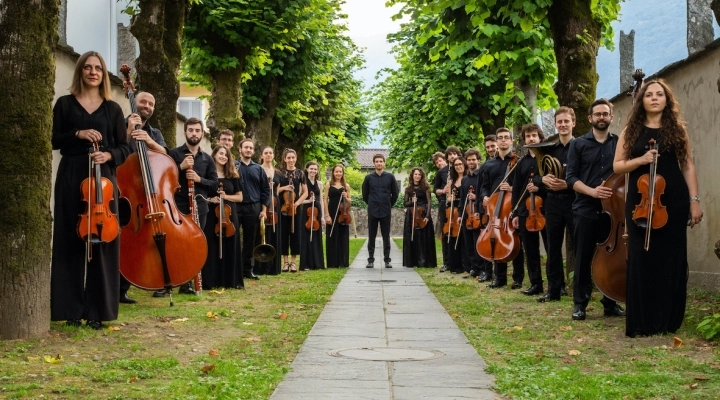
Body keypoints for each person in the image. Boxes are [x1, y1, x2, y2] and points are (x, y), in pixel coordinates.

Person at [613, 79, 703, 337]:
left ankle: (668, 320)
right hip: (641, 202)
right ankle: (641, 321)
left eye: (659, 94)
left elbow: (687, 166)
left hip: (672, 200)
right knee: (642, 258)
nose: (654, 98)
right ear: (641, 100)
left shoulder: (677, 130)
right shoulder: (631, 129)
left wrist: (694, 201)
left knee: (671, 258)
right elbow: (618, 166)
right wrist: (641, 159)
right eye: (649, 94)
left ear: (667, 100)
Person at [51, 51, 130, 329]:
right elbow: (54, 139)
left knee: (103, 244)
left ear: (103, 74)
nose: (93, 72)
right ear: (80, 71)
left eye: (98, 68)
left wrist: (108, 156)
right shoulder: (64, 104)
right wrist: (77, 134)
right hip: (72, 174)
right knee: (69, 239)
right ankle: (70, 309)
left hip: (103, 181)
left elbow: (125, 147)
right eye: (88, 67)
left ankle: (98, 311)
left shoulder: (113, 109)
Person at [565, 98, 626, 321]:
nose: (601, 117)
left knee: (611, 257)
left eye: (605, 114)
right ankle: (580, 304)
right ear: (590, 118)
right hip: (585, 208)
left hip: (614, 211)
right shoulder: (578, 144)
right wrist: (593, 192)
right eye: (597, 114)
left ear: (611, 117)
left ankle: (610, 302)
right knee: (583, 257)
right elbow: (570, 178)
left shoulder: (618, 143)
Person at [158, 117, 218, 297]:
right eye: (190, 130)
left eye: (197, 130)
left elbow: (215, 184)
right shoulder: (175, 154)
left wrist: (200, 179)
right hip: (176, 204)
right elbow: (163, 177)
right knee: (173, 243)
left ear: (201, 133)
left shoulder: (207, 159)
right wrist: (180, 167)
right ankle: (167, 282)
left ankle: (187, 283)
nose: (194, 133)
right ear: (185, 132)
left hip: (199, 205)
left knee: (193, 244)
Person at [119, 91, 168, 304]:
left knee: (144, 240)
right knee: (122, 241)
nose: (146, 106)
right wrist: (128, 133)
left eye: (150, 103)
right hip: (125, 192)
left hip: (149, 193)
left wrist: (149, 141)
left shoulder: (154, 132)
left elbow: (166, 155)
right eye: (142, 102)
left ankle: (133, 284)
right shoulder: (119, 125)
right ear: (134, 103)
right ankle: (116, 287)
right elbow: (114, 149)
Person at [537, 107, 575, 302]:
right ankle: (554, 289)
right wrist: (543, 181)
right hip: (552, 203)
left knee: (578, 247)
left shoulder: (581, 146)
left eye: (566, 121)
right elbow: (536, 177)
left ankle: (579, 289)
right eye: (559, 122)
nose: (562, 125)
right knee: (552, 247)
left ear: (573, 123)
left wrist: (567, 184)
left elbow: (585, 176)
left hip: (574, 202)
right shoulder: (549, 149)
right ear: (555, 124)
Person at [480, 128, 525, 289]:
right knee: (496, 240)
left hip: (512, 207)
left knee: (517, 244)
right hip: (495, 209)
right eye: (500, 138)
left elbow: (523, 185)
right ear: (497, 141)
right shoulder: (488, 165)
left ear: (511, 141)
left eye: (507, 138)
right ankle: (499, 278)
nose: (503, 141)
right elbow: (484, 187)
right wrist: (484, 197)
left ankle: (518, 278)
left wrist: (512, 188)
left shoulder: (517, 162)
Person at [511, 124, 548, 296]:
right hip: (526, 212)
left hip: (545, 210)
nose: (531, 138)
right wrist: (516, 213)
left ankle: (558, 284)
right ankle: (536, 284)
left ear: (540, 137)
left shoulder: (547, 159)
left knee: (551, 248)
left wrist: (539, 185)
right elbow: (517, 189)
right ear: (524, 140)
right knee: (530, 250)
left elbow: (552, 180)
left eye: (534, 135)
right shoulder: (521, 163)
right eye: (528, 136)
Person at [202, 145, 244, 289]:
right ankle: (210, 281)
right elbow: (202, 195)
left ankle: (230, 281)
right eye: (220, 154)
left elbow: (240, 197)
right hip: (212, 215)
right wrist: (209, 199)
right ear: (214, 155)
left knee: (230, 245)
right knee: (211, 245)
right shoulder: (208, 175)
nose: (223, 157)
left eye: (226, 155)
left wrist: (226, 196)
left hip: (229, 216)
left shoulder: (233, 175)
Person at [234, 138, 271, 279]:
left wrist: (263, 210)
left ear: (253, 151)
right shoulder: (234, 166)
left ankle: (247, 270)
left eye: (250, 148)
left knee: (251, 240)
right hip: (236, 206)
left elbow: (265, 190)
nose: (248, 150)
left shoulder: (258, 169)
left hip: (254, 208)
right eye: (246, 147)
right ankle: (235, 269)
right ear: (240, 149)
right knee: (235, 238)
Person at [361, 154, 399, 268]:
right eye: (377, 161)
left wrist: (388, 204)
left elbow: (395, 194)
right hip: (372, 210)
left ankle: (387, 260)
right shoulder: (368, 178)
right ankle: (370, 260)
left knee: (386, 236)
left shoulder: (390, 177)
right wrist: (372, 203)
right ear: (374, 163)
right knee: (371, 235)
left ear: (384, 163)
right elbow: (365, 194)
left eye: (381, 161)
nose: (379, 163)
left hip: (385, 210)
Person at [277, 149, 308, 272]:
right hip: (283, 206)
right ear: (284, 159)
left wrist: (297, 203)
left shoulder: (300, 173)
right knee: (283, 233)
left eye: (293, 158)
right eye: (288, 158)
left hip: (295, 207)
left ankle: (293, 262)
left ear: (296, 158)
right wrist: (285, 187)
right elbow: (277, 190)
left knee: (295, 233)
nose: (291, 160)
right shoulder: (279, 173)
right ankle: (285, 262)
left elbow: (305, 192)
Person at [402, 167, 437, 268]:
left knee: (424, 237)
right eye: (415, 174)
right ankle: (412, 261)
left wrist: (427, 216)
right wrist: (411, 201)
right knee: (413, 237)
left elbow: (429, 202)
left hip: (423, 212)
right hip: (412, 214)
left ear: (422, 176)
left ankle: (425, 261)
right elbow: (405, 203)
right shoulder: (408, 189)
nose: (417, 176)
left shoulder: (426, 187)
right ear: (412, 176)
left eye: (419, 175)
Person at [257, 145, 282, 275]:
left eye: (270, 153)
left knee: (274, 233)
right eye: (265, 153)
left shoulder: (277, 172)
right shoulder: (258, 169)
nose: (268, 155)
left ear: (273, 156)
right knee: (263, 232)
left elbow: (277, 191)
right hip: (263, 203)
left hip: (275, 204)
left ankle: (273, 267)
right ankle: (261, 266)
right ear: (262, 155)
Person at [475, 135, 497, 282]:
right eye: (488, 147)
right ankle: (487, 271)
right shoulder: (484, 166)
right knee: (486, 239)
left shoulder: (510, 162)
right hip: (488, 208)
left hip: (503, 207)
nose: (490, 149)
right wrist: (481, 201)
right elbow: (480, 188)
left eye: (492, 146)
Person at [436, 146, 461, 272]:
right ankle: (446, 262)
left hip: (458, 204)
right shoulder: (441, 172)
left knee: (459, 233)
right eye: (450, 154)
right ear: (447, 157)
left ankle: (460, 262)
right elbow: (436, 190)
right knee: (446, 233)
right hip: (444, 205)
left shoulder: (461, 169)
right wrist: (443, 190)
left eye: (454, 153)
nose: (452, 156)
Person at [460, 148, 482, 277]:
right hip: (467, 215)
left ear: (478, 160)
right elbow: (462, 199)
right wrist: (459, 216)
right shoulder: (465, 179)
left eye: (473, 159)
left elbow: (486, 192)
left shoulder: (482, 176)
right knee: (469, 243)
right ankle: (474, 268)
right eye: (469, 160)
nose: (471, 162)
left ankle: (482, 267)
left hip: (478, 214)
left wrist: (476, 197)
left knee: (477, 242)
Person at [324, 164, 352, 268]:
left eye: (340, 172)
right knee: (332, 237)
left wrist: (346, 197)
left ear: (343, 173)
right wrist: (327, 215)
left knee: (343, 237)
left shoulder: (346, 186)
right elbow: (325, 200)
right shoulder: (329, 185)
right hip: (332, 212)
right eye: (336, 172)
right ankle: (332, 263)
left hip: (343, 213)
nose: (338, 173)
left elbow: (350, 202)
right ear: (333, 173)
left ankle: (343, 262)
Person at [300, 161, 325, 270]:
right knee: (306, 237)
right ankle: (306, 264)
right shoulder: (303, 183)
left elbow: (321, 200)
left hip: (317, 212)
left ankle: (317, 263)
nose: (313, 171)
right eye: (311, 169)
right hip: (306, 211)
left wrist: (323, 216)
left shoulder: (320, 184)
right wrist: (308, 200)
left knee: (316, 237)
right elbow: (298, 201)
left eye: (315, 169)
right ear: (307, 169)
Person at [444, 157, 467, 273]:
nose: (458, 166)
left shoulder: (468, 178)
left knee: (463, 237)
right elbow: (447, 198)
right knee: (452, 237)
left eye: (460, 164)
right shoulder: (451, 181)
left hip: (464, 208)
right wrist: (450, 198)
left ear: (464, 164)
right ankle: (454, 265)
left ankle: (464, 265)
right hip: (452, 210)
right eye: (456, 165)